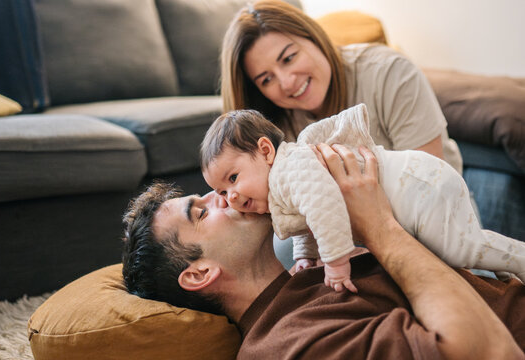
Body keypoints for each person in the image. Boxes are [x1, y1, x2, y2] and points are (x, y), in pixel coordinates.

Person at [121, 145, 525, 359]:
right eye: (201, 211)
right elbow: (486, 353)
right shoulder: (290, 345)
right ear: (199, 273)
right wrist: (378, 226)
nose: (223, 196)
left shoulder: (307, 276)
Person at [200, 105, 525, 292]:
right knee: (463, 249)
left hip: (418, 185)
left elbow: (323, 207)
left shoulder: (290, 166)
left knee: (459, 250)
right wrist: (305, 257)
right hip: (416, 184)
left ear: (265, 151)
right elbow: (307, 221)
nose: (231, 197)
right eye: (222, 191)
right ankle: (506, 272)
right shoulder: (283, 179)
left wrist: (336, 263)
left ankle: (518, 259)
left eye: (233, 178)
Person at [220, 0, 463, 175]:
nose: (287, 82)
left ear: (315, 38)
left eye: (289, 58)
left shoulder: (390, 72)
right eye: (266, 80)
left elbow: (431, 185)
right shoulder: (273, 122)